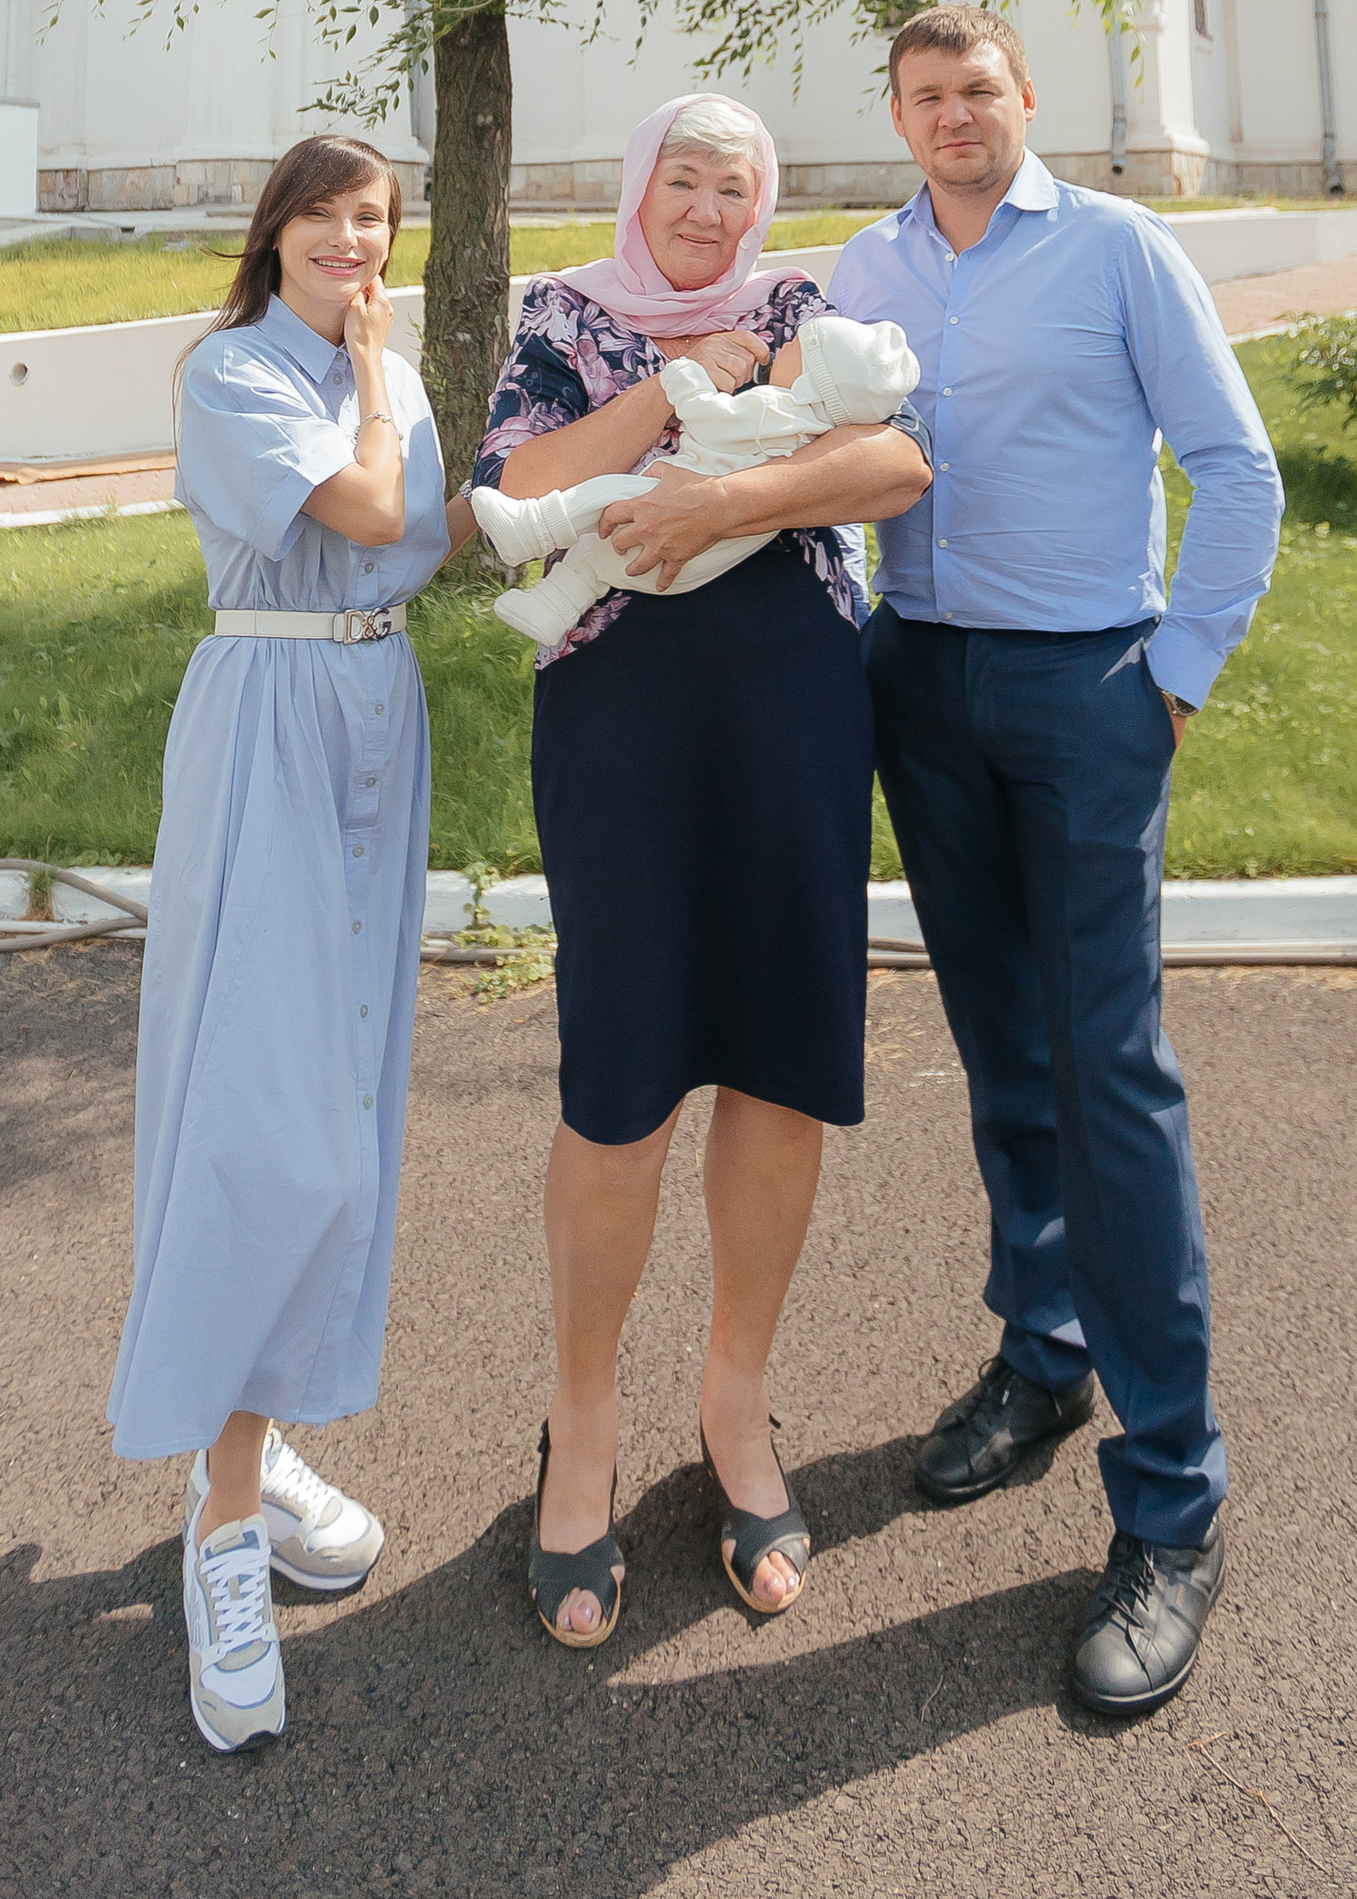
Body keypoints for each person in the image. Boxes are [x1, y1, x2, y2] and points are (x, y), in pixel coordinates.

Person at [826, 7, 1284, 1723]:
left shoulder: (1118, 250)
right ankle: (1045, 1352)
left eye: (979, 91)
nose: (954, 116)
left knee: (1110, 1075)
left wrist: (1177, 674)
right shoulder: (863, 270)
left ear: (1026, 101)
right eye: (925, 96)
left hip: (1088, 684)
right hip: (920, 680)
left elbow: (1237, 469)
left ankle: (1174, 1504)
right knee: (1002, 1050)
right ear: (897, 116)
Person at [474, 93, 933, 1644]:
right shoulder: (564, 316)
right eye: (684, 179)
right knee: (622, 1079)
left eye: (736, 187)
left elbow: (897, 466)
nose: (709, 210)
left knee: (781, 1068)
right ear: (639, 186)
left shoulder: (802, 305)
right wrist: (693, 386)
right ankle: (584, 1423)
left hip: (792, 707)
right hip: (622, 719)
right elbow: (521, 489)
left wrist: (730, 495)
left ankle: (736, 1405)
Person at [106, 132, 480, 1757]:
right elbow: (377, 502)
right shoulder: (237, 373)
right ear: (276, 234)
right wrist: (384, 381)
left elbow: (432, 541)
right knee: (266, 1127)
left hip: (375, 710)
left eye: (375, 218)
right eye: (324, 216)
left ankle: (248, 1450)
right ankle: (222, 1523)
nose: (352, 240)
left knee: (347, 1100)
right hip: (269, 718)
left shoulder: (367, 367)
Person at [469, 311, 921, 642]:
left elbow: (713, 420)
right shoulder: (815, 429)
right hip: (696, 568)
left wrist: (684, 381)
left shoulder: (776, 409)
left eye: (797, 349)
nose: (783, 347)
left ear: (809, 383)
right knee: (595, 562)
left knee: (611, 498)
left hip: (680, 533)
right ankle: (551, 609)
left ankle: (534, 528)